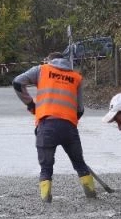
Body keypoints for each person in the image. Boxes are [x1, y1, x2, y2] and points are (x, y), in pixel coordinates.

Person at [12, 51, 97, 202]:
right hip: (69, 127)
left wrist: (31, 105)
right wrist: (70, 122)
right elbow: (80, 109)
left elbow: (17, 82)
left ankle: (46, 199)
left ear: (49, 60)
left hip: (47, 125)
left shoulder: (42, 70)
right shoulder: (76, 77)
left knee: (46, 167)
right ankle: (91, 194)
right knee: (79, 163)